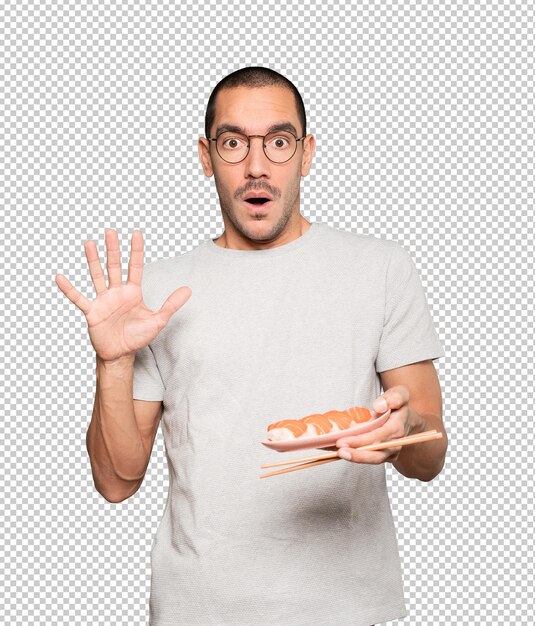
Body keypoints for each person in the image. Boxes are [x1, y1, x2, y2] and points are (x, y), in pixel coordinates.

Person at [55, 66, 448, 626]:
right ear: (205, 155)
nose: (256, 166)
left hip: (347, 611)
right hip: (198, 613)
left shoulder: (381, 268)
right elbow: (117, 482)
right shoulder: (158, 295)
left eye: (279, 142)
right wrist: (112, 361)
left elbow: (429, 457)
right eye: (233, 143)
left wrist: (403, 431)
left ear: (307, 153)